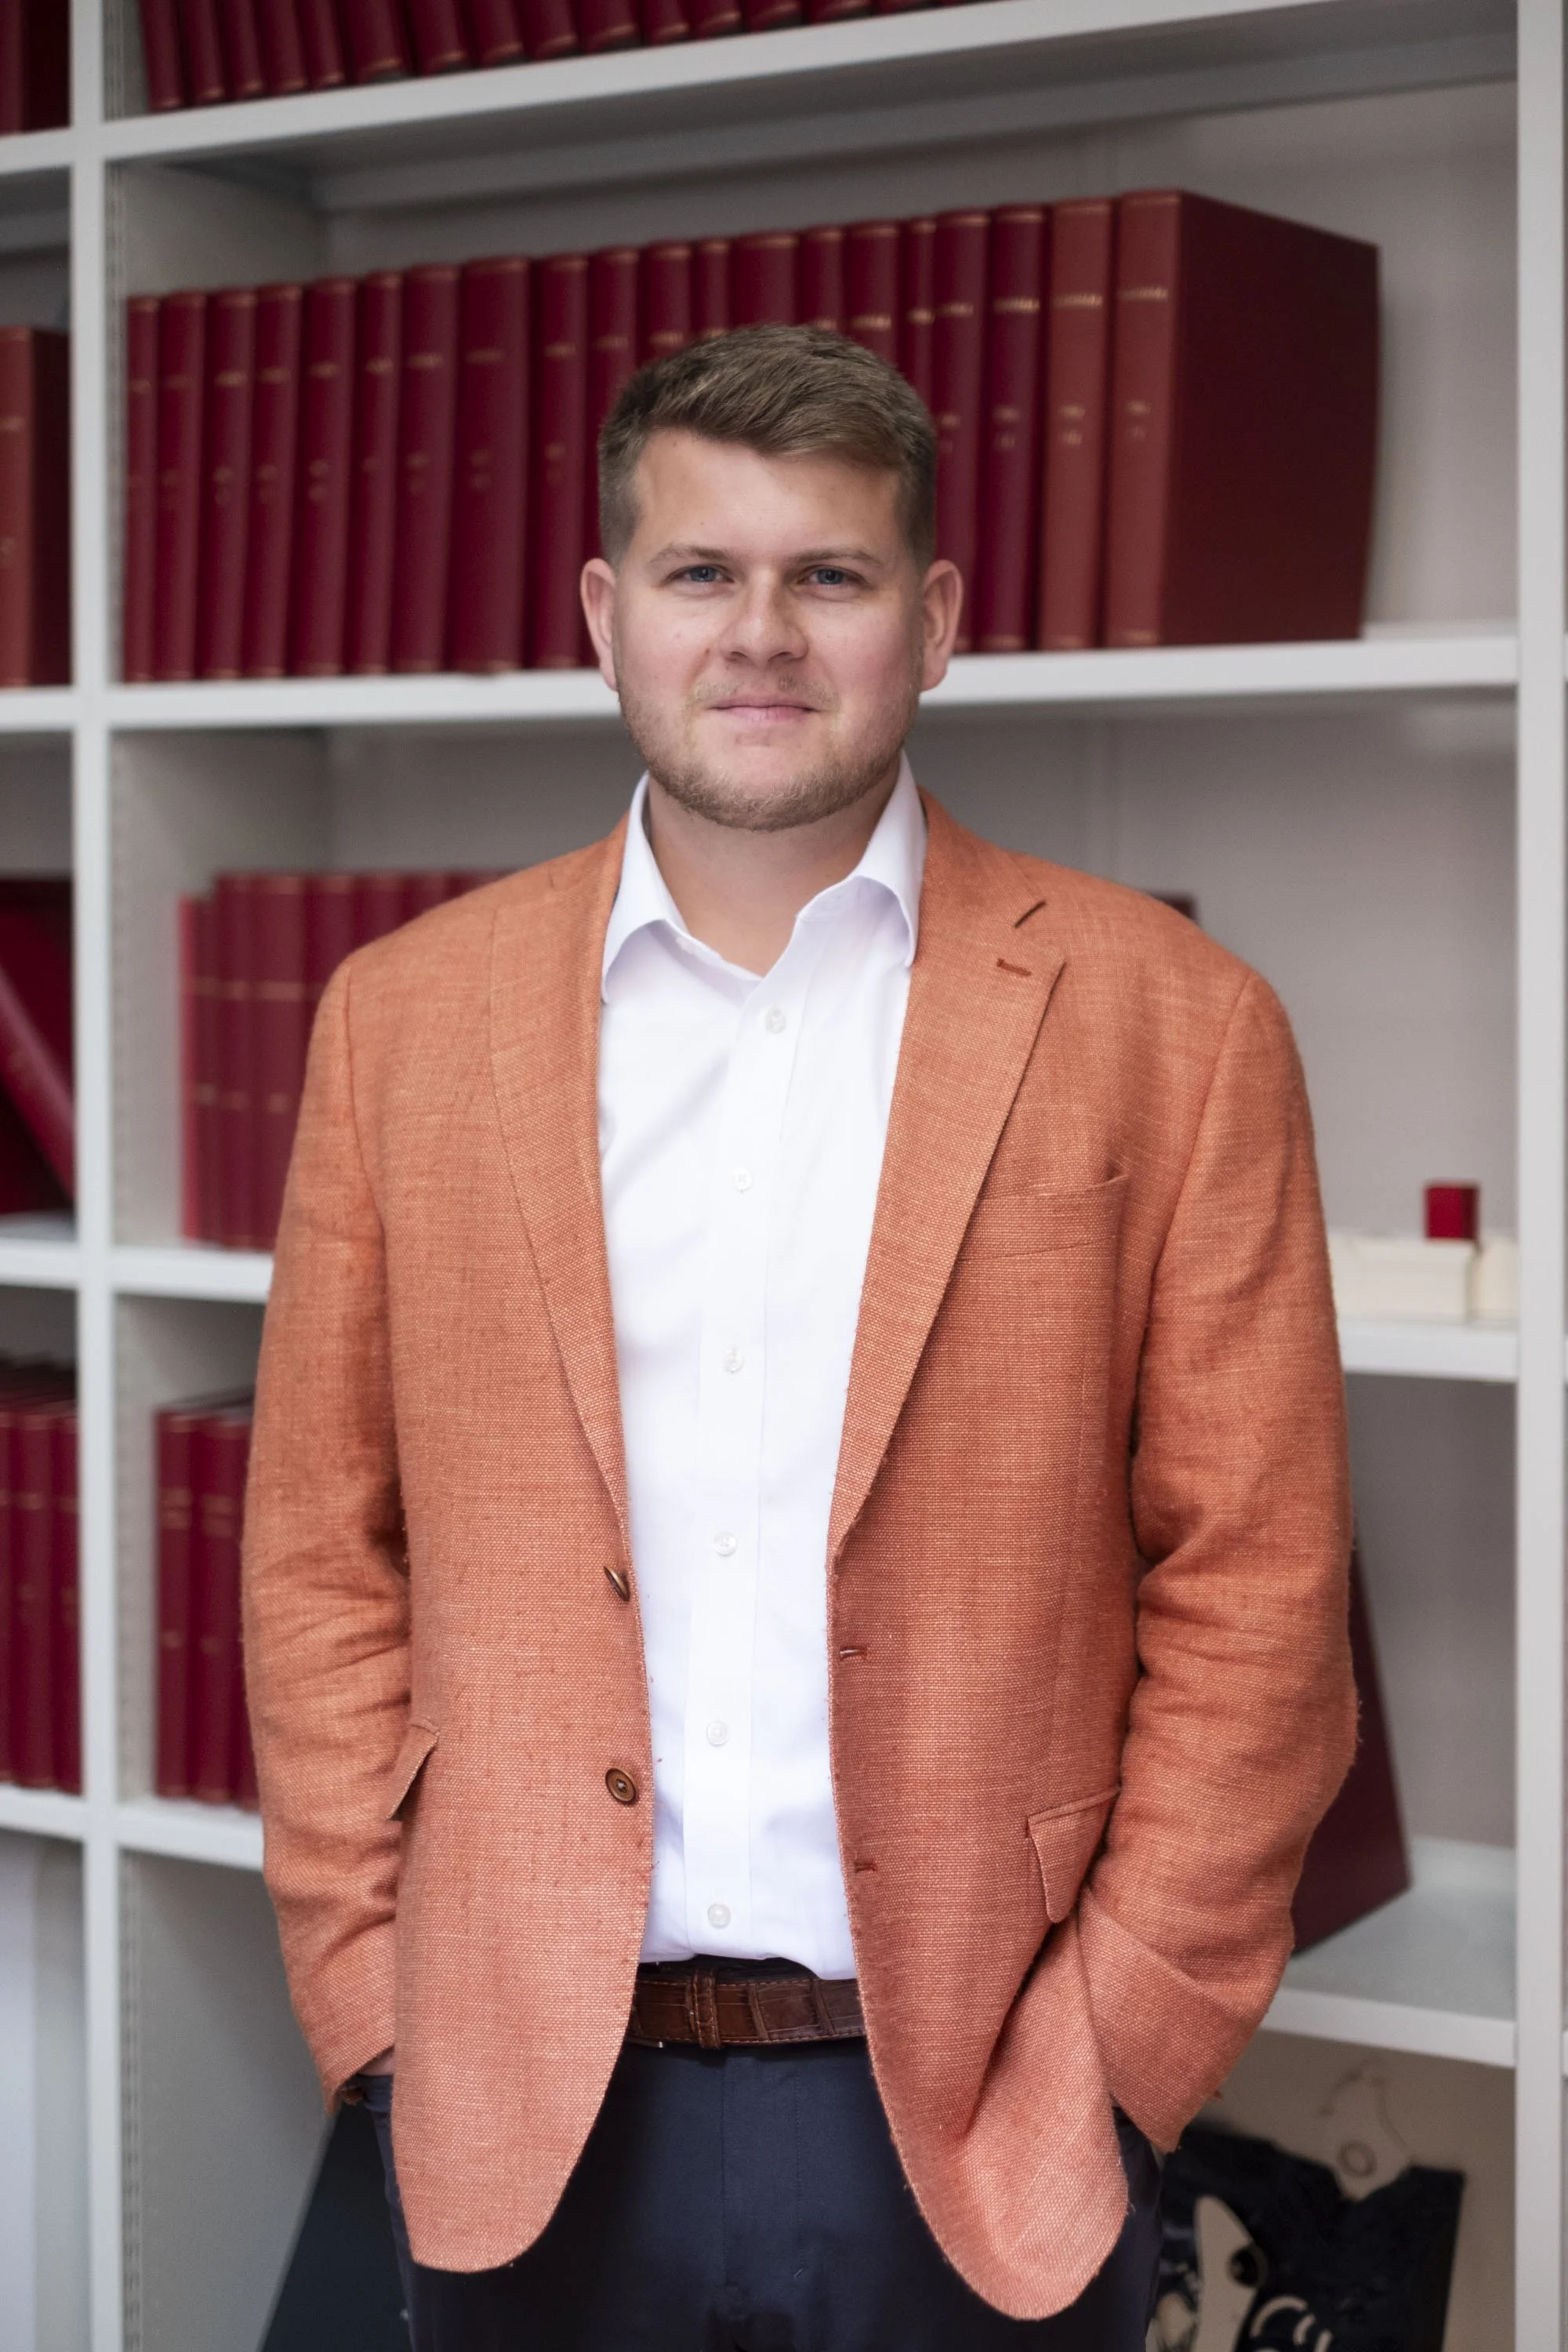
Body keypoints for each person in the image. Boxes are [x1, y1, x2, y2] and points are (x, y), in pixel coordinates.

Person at [242, 324, 1356, 2350]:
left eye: (828, 577)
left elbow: (1262, 1581)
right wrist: (370, 2001)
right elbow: (325, 1540)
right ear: (607, 614)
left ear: (930, 620)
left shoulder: (1171, 1023)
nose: (762, 635)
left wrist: (1117, 2052)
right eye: (700, 575)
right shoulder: (403, 1021)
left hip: (983, 2113)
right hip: (514, 2095)